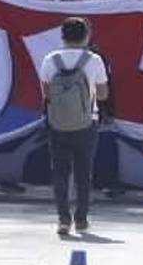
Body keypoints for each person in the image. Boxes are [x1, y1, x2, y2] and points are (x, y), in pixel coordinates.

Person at [39, 18, 108, 236]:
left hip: (57, 122)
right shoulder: (94, 60)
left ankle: (63, 219)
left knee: (60, 172)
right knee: (83, 172)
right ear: (86, 36)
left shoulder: (51, 59)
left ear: (62, 36)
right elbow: (104, 93)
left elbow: (46, 93)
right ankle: (81, 219)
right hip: (87, 121)